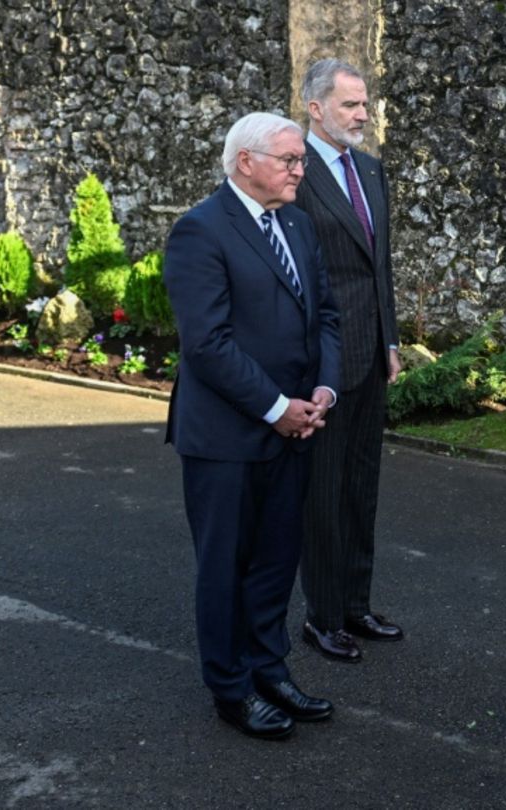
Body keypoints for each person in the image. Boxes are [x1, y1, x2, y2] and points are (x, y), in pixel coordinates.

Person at [164, 111, 342, 739]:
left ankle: (270, 669)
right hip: (226, 438)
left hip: (296, 427)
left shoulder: (296, 222)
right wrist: (277, 408)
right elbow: (207, 345)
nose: (301, 171)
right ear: (246, 162)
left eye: (301, 161)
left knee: (274, 562)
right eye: (290, 161)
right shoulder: (200, 231)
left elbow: (324, 313)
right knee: (225, 566)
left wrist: (323, 388)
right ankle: (231, 689)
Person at [290, 58, 405, 664]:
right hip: (325, 364)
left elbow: (378, 264)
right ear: (315, 108)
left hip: (371, 358)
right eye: (350, 105)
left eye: (365, 104)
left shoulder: (370, 169)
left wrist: (390, 338)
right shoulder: (295, 175)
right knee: (324, 495)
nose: (363, 115)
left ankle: (356, 607)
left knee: (362, 489)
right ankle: (323, 617)